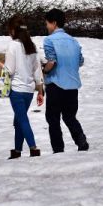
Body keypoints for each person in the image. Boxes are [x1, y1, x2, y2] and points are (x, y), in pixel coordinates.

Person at [0, 16, 44, 159]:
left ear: (13, 30)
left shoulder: (13, 46)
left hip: (17, 90)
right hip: (29, 91)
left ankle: (34, 149)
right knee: (18, 120)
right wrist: (41, 90)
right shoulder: (32, 46)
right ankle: (17, 151)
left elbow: (9, 70)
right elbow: (37, 70)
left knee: (22, 120)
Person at [42, 8, 89, 153]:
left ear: (54, 23)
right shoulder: (74, 41)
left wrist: (44, 70)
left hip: (56, 84)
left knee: (53, 119)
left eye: (47, 24)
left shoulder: (49, 40)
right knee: (69, 116)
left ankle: (58, 149)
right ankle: (81, 140)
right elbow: (80, 61)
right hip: (73, 85)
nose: (47, 27)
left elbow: (52, 62)